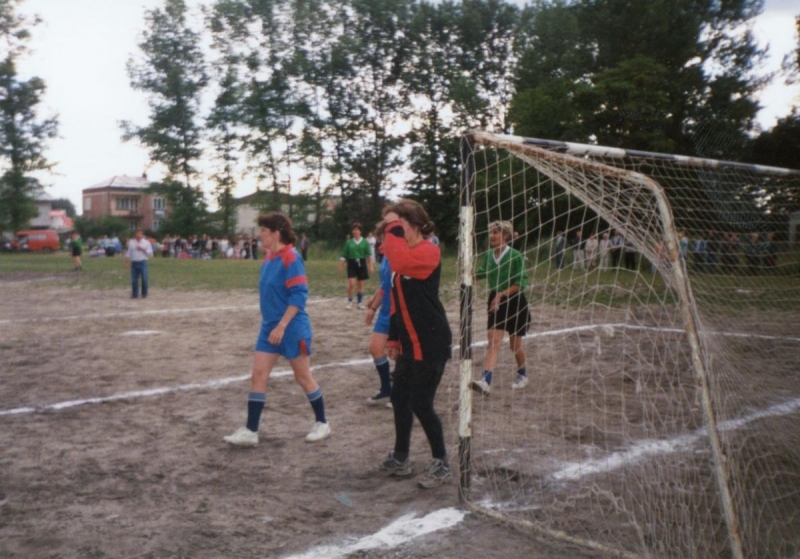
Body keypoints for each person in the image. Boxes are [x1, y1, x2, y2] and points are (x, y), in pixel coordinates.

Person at [224, 212, 331, 447]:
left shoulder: (291, 258)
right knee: (258, 375)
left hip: (292, 327)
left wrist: (282, 326)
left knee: (303, 377)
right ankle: (251, 431)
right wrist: (274, 326)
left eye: (263, 230)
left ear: (276, 233)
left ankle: (322, 422)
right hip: (269, 328)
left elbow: (299, 295)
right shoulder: (269, 258)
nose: (259, 234)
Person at [378, 200, 453, 490]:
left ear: (415, 223)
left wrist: (391, 230)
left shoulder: (428, 251)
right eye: (388, 226)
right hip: (410, 341)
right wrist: (394, 338)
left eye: (396, 225)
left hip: (432, 341)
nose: (391, 231)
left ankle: (441, 462)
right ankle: (401, 457)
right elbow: (397, 302)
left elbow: (397, 260)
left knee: (422, 403)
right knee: (399, 398)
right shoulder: (403, 254)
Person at [470, 221, 531, 396]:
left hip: (514, 302)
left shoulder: (516, 255)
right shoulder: (489, 255)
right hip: (495, 301)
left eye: (496, 233)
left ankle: (522, 374)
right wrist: (469, 274)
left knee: (515, 345)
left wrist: (501, 294)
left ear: (505, 236)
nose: (492, 236)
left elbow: (521, 283)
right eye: (491, 233)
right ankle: (485, 381)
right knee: (493, 341)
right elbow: (482, 272)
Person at [364, 221, 394, 406]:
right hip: (385, 311)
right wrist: (374, 307)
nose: (382, 240)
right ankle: (386, 389)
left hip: (399, 312)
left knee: (400, 354)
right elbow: (385, 284)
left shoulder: (400, 255)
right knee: (375, 348)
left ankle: (401, 393)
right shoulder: (386, 256)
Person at [338, 222, 371, 310]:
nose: (355, 231)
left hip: (361, 262)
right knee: (351, 283)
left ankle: (360, 303)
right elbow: (344, 255)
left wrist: (370, 266)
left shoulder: (365, 242)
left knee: (360, 285)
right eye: (354, 230)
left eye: (357, 230)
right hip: (351, 263)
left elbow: (368, 255)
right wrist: (340, 265)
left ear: (360, 231)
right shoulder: (349, 242)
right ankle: (350, 302)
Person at [125, 228, 153, 299]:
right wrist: (127, 262)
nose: (138, 235)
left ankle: (144, 294)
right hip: (134, 262)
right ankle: (135, 294)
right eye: (137, 233)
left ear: (142, 235)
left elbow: (150, 253)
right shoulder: (131, 242)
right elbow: (129, 252)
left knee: (144, 278)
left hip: (142, 262)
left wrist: (143, 249)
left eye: (140, 233)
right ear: (135, 234)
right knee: (134, 279)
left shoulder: (146, 242)